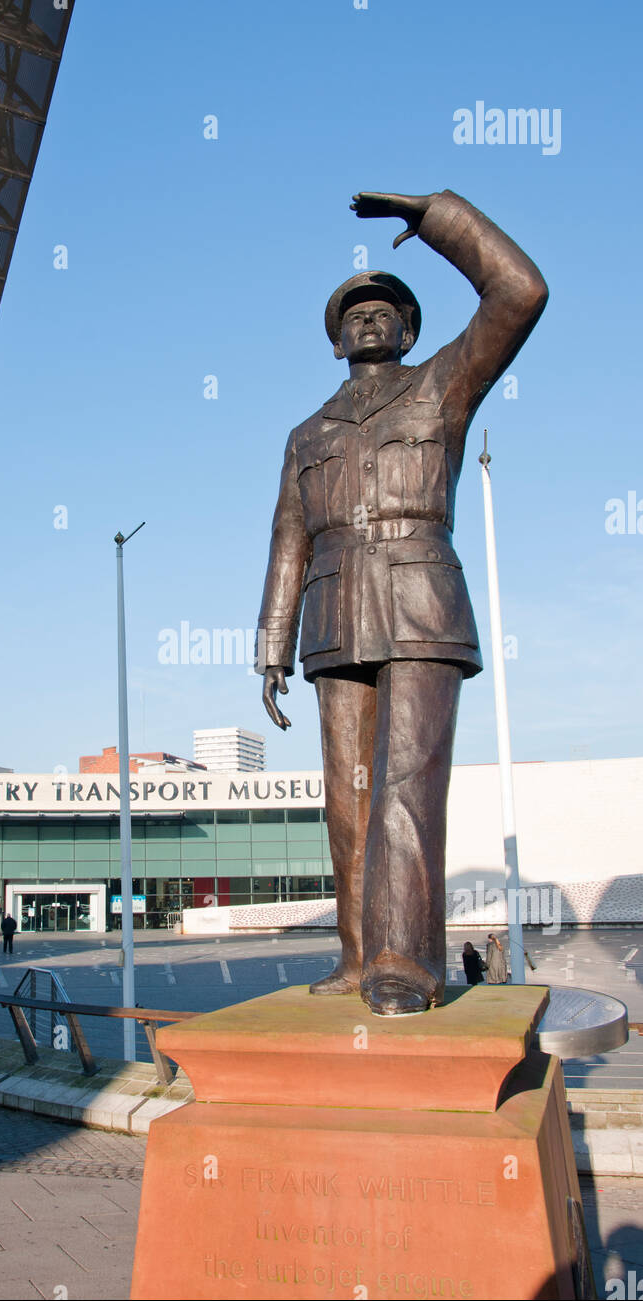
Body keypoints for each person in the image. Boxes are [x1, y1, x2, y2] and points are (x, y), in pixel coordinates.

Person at [257, 188, 547, 1015]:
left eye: (386, 310)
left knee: (407, 784)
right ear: (334, 339)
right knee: (346, 800)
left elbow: (520, 292)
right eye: (354, 313)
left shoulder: (443, 388)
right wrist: (273, 639)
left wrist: (437, 218)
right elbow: (288, 538)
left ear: (410, 331)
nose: (369, 319)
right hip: (332, 609)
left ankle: (403, 964)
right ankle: (354, 959)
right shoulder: (306, 433)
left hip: (421, 601)